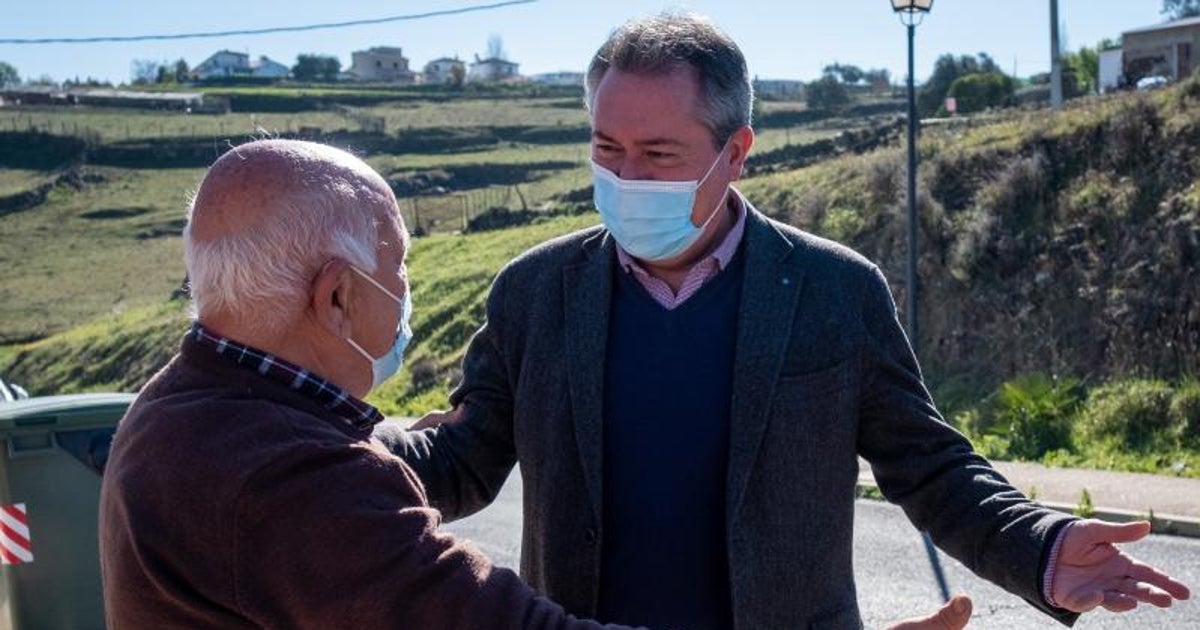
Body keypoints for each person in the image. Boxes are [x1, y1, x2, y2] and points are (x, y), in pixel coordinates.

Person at [380, 12, 1191, 630]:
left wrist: (1041, 546)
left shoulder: (835, 291)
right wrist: (330, 439)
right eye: (605, 148)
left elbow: (929, 466)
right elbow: (459, 459)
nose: (625, 176)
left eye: (658, 154)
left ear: (736, 153)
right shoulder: (535, 291)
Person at [98, 138, 971, 630]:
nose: (404, 296)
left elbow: (922, 456)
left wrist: (387, 439)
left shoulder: (180, 406)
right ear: (334, 295)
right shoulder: (291, 480)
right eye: (398, 270)